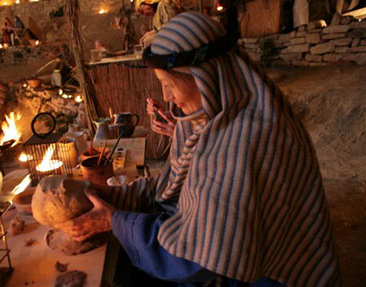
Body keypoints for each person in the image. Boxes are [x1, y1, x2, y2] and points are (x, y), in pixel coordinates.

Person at [58, 12, 340, 287]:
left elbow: (196, 259)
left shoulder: (246, 138)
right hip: (229, 251)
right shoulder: (208, 115)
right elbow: (174, 185)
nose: (166, 97)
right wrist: (117, 196)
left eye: (169, 85)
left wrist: (114, 221)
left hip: (271, 274)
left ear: (204, 78)